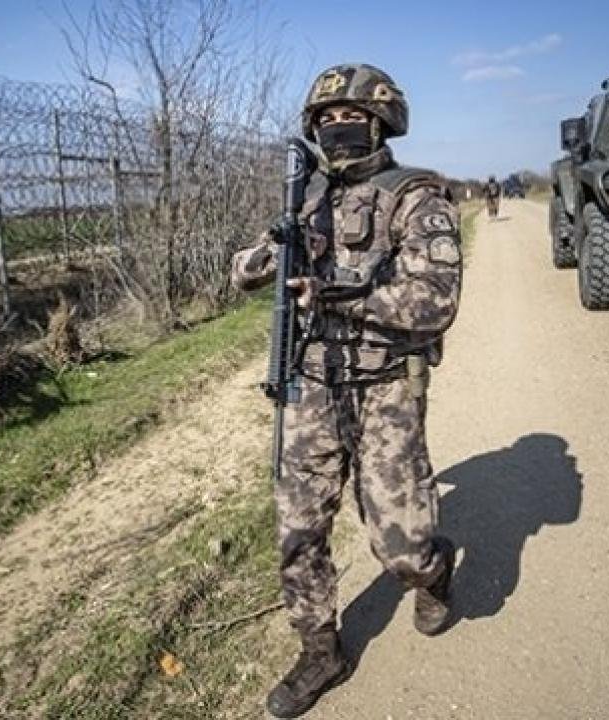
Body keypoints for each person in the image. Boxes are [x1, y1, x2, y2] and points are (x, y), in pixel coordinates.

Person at [230, 63, 462, 719]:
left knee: (400, 547)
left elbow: (433, 300)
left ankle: (433, 571)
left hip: (387, 383)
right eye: (325, 120)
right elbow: (244, 271)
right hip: (313, 384)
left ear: (382, 121)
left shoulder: (414, 196)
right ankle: (320, 651)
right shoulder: (304, 200)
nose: (337, 128)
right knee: (299, 529)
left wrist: (338, 295)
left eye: (350, 117)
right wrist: (276, 251)